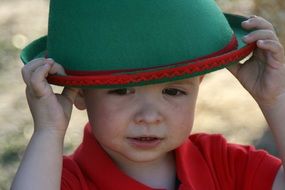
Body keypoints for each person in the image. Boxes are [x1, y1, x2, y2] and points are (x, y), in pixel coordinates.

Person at [11, 0, 285, 189]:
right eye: (121, 90)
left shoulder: (221, 164)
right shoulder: (64, 180)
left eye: (173, 91)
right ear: (80, 91)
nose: (149, 116)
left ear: (199, 83)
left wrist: (275, 100)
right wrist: (47, 131)